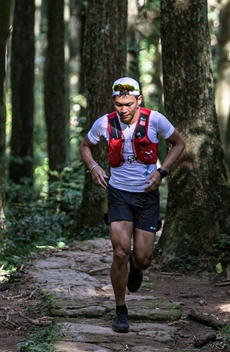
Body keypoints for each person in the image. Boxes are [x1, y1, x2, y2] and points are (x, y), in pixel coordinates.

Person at [79, 77, 186, 333]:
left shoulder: (155, 120)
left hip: (147, 196)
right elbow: (85, 146)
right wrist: (93, 166)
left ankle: (137, 268)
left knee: (144, 258)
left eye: (128, 104)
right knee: (119, 253)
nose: (123, 109)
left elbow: (179, 143)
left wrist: (162, 172)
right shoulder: (104, 123)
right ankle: (120, 310)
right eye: (118, 104)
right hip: (118, 194)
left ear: (139, 100)